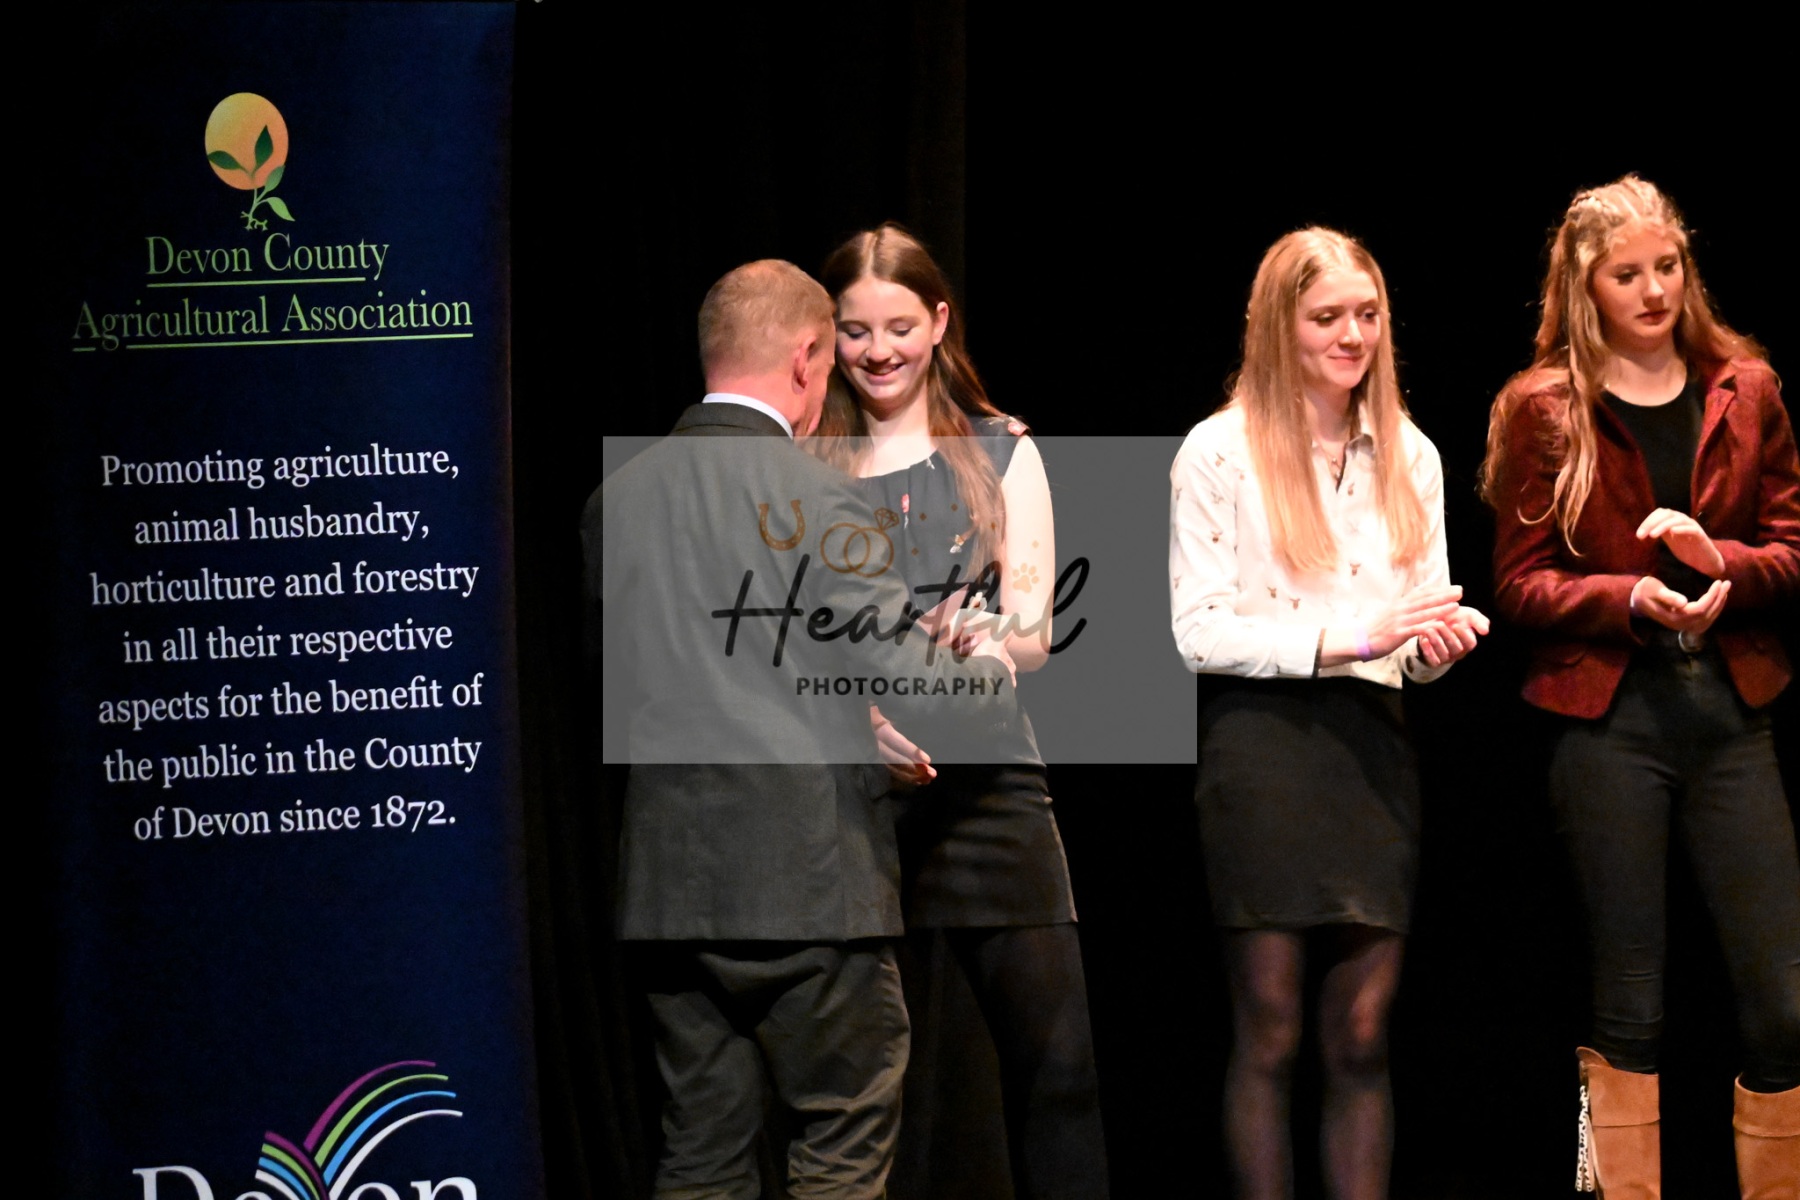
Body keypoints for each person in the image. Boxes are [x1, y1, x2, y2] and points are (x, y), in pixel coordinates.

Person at [587, 259, 1019, 1200]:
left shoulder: (616, 499)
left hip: (671, 894)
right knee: (842, 1143)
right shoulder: (820, 500)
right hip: (810, 888)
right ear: (805, 358)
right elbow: (913, 680)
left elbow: (657, 680)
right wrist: (989, 668)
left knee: (700, 1158)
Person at [1481, 176, 1800, 1197]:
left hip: (1729, 715)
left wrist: (1719, 564)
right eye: (1628, 275)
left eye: (1668, 267)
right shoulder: (1544, 406)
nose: (1655, 291)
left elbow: (1788, 551)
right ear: (1586, 287)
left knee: (1783, 1002)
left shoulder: (1744, 387)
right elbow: (1518, 583)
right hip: (1610, 722)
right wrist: (1632, 598)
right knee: (1628, 1004)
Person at [1169, 228, 1486, 1199]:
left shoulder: (1411, 455)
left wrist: (1434, 649)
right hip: (1262, 747)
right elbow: (1196, 631)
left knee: (1360, 1032)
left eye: (1367, 315)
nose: (1353, 336)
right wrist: (1349, 637)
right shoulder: (1219, 451)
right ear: (1280, 326)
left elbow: (1414, 633)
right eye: (1328, 318)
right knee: (1270, 1027)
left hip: (1372, 752)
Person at [810, 223, 1109, 1199]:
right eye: (856, 331)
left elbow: (1034, 632)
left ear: (939, 322)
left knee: (1058, 1069)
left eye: (900, 327)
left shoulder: (998, 448)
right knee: (858, 1090)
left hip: (987, 787)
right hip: (858, 795)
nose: (879, 351)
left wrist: (985, 632)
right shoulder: (807, 461)